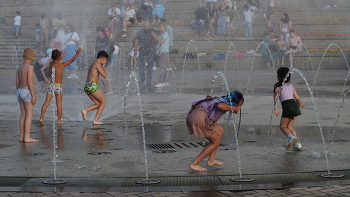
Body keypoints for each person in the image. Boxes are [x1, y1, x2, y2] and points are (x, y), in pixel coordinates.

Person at [187, 91, 244, 171]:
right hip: (199, 119)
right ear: (236, 102)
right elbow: (220, 106)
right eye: (240, 104)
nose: (240, 106)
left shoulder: (220, 99)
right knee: (215, 142)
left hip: (194, 116)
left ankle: (211, 160)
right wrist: (235, 108)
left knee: (220, 130)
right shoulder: (223, 103)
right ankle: (195, 164)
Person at [39, 48, 82, 125]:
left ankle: (41, 117)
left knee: (46, 103)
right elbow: (71, 60)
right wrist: (77, 53)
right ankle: (59, 120)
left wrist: (59, 55)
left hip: (51, 85)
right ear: (59, 57)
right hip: (58, 86)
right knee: (59, 104)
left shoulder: (51, 64)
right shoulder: (62, 65)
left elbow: (55, 59)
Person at [273, 67, 305, 150]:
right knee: (290, 126)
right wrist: (300, 103)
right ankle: (297, 144)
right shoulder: (290, 85)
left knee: (283, 126)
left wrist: (275, 108)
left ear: (279, 77)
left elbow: (275, 98)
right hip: (295, 105)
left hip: (287, 106)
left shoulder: (278, 86)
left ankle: (291, 138)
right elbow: (297, 97)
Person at [16, 48, 38, 143]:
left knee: (23, 115)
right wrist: (33, 95)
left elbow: (17, 81)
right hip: (26, 90)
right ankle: (27, 137)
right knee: (29, 115)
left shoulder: (20, 67)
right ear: (32, 58)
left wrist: (18, 91)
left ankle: (21, 136)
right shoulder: (30, 67)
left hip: (20, 90)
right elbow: (29, 81)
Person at [81, 51, 109, 125]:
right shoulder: (97, 64)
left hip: (87, 86)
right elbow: (105, 76)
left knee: (97, 103)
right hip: (92, 85)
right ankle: (96, 120)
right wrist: (103, 67)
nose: (105, 62)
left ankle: (85, 110)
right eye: (106, 60)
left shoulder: (93, 64)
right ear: (103, 58)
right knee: (103, 102)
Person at [134, 21, 157, 89]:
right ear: (143, 26)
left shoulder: (153, 31)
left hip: (150, 51)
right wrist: (135, 50)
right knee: (141, 66)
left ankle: (149, 80)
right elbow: (137, 41)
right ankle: (142, 80)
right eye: (145, 26)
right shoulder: (140, 32)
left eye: (147, 26)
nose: (146, 27)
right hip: (142, 51)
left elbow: (157, 40)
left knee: (150, 67)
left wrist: (154, 36)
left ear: (149, 26)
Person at [95, 26, 115, 95]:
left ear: (102, 32)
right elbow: (96, 48)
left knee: (106, 74)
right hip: (99, 59)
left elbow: (112, 48)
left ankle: (110, 89)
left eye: (98, 31)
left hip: (105, 59)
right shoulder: (98, 39)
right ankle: (106, 89)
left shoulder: (107, 40)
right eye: (97, 31)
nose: (97, 33)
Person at [152, 23, 169, 88]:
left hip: (164, 52)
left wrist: (154, 36)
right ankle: (165, 81)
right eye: (159, 27)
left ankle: (160, 82)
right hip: (162, 51)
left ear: (164, 27)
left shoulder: (165, 34)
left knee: (162, 67)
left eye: (161, 27)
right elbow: (160, 43)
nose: (160, 28)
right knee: (164, 67)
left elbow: (161, 42)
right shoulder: (162, 34)